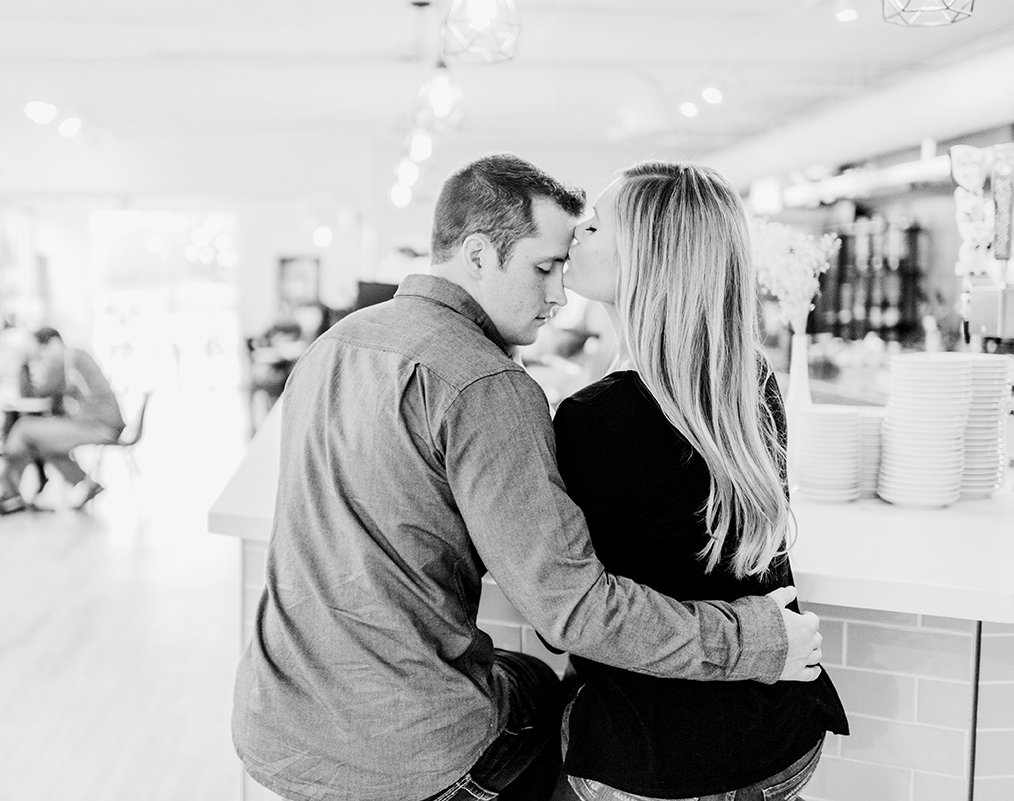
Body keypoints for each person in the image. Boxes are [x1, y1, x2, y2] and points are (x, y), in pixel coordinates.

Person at [231, 153, 825, 801]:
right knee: (538, 691)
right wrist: (759, 639)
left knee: (534, 684)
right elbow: (572, 610)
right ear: (480, 255)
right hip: (411, 754)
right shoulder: (492, 384)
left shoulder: (335, 344)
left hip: (275, 722)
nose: (559, 294)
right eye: (546, 266)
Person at [554, 161, 848, 801]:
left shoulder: (592, 420)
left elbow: (570, 617)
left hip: (655, 758)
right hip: (781, 738)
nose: (577, 231)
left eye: (597, 224)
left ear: (647, 255)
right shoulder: (753, 384)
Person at [0, 326, 125, 515]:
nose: (43, 356)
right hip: (100, 423)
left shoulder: (65, 358)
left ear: (53, 343)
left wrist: (25, 363)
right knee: (39, 441)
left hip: (99, 426)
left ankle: (7, 490)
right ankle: (85, 484)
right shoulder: (77, 356)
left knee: (23, 429)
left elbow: (39, 390)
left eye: (43, 350)